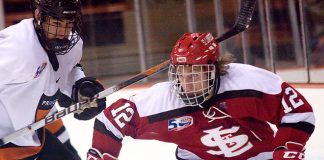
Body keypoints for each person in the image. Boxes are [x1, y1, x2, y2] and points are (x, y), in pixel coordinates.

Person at [87, 32, 315, 160]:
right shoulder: (164, 99)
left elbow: (298, 111)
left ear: (214, 69)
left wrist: (287, 148)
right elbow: (111, 120)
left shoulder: (247, 81)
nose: (186, 81)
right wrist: (100, 156)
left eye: (195, 72)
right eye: (182, 72)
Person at [0, 0, 106, 159]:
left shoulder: (72, 45)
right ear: (38, 15)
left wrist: (79, 87)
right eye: (56, 23)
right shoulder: (18, 48)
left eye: (68, 24)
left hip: (33, 140)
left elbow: (69, 70)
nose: (62, 32)